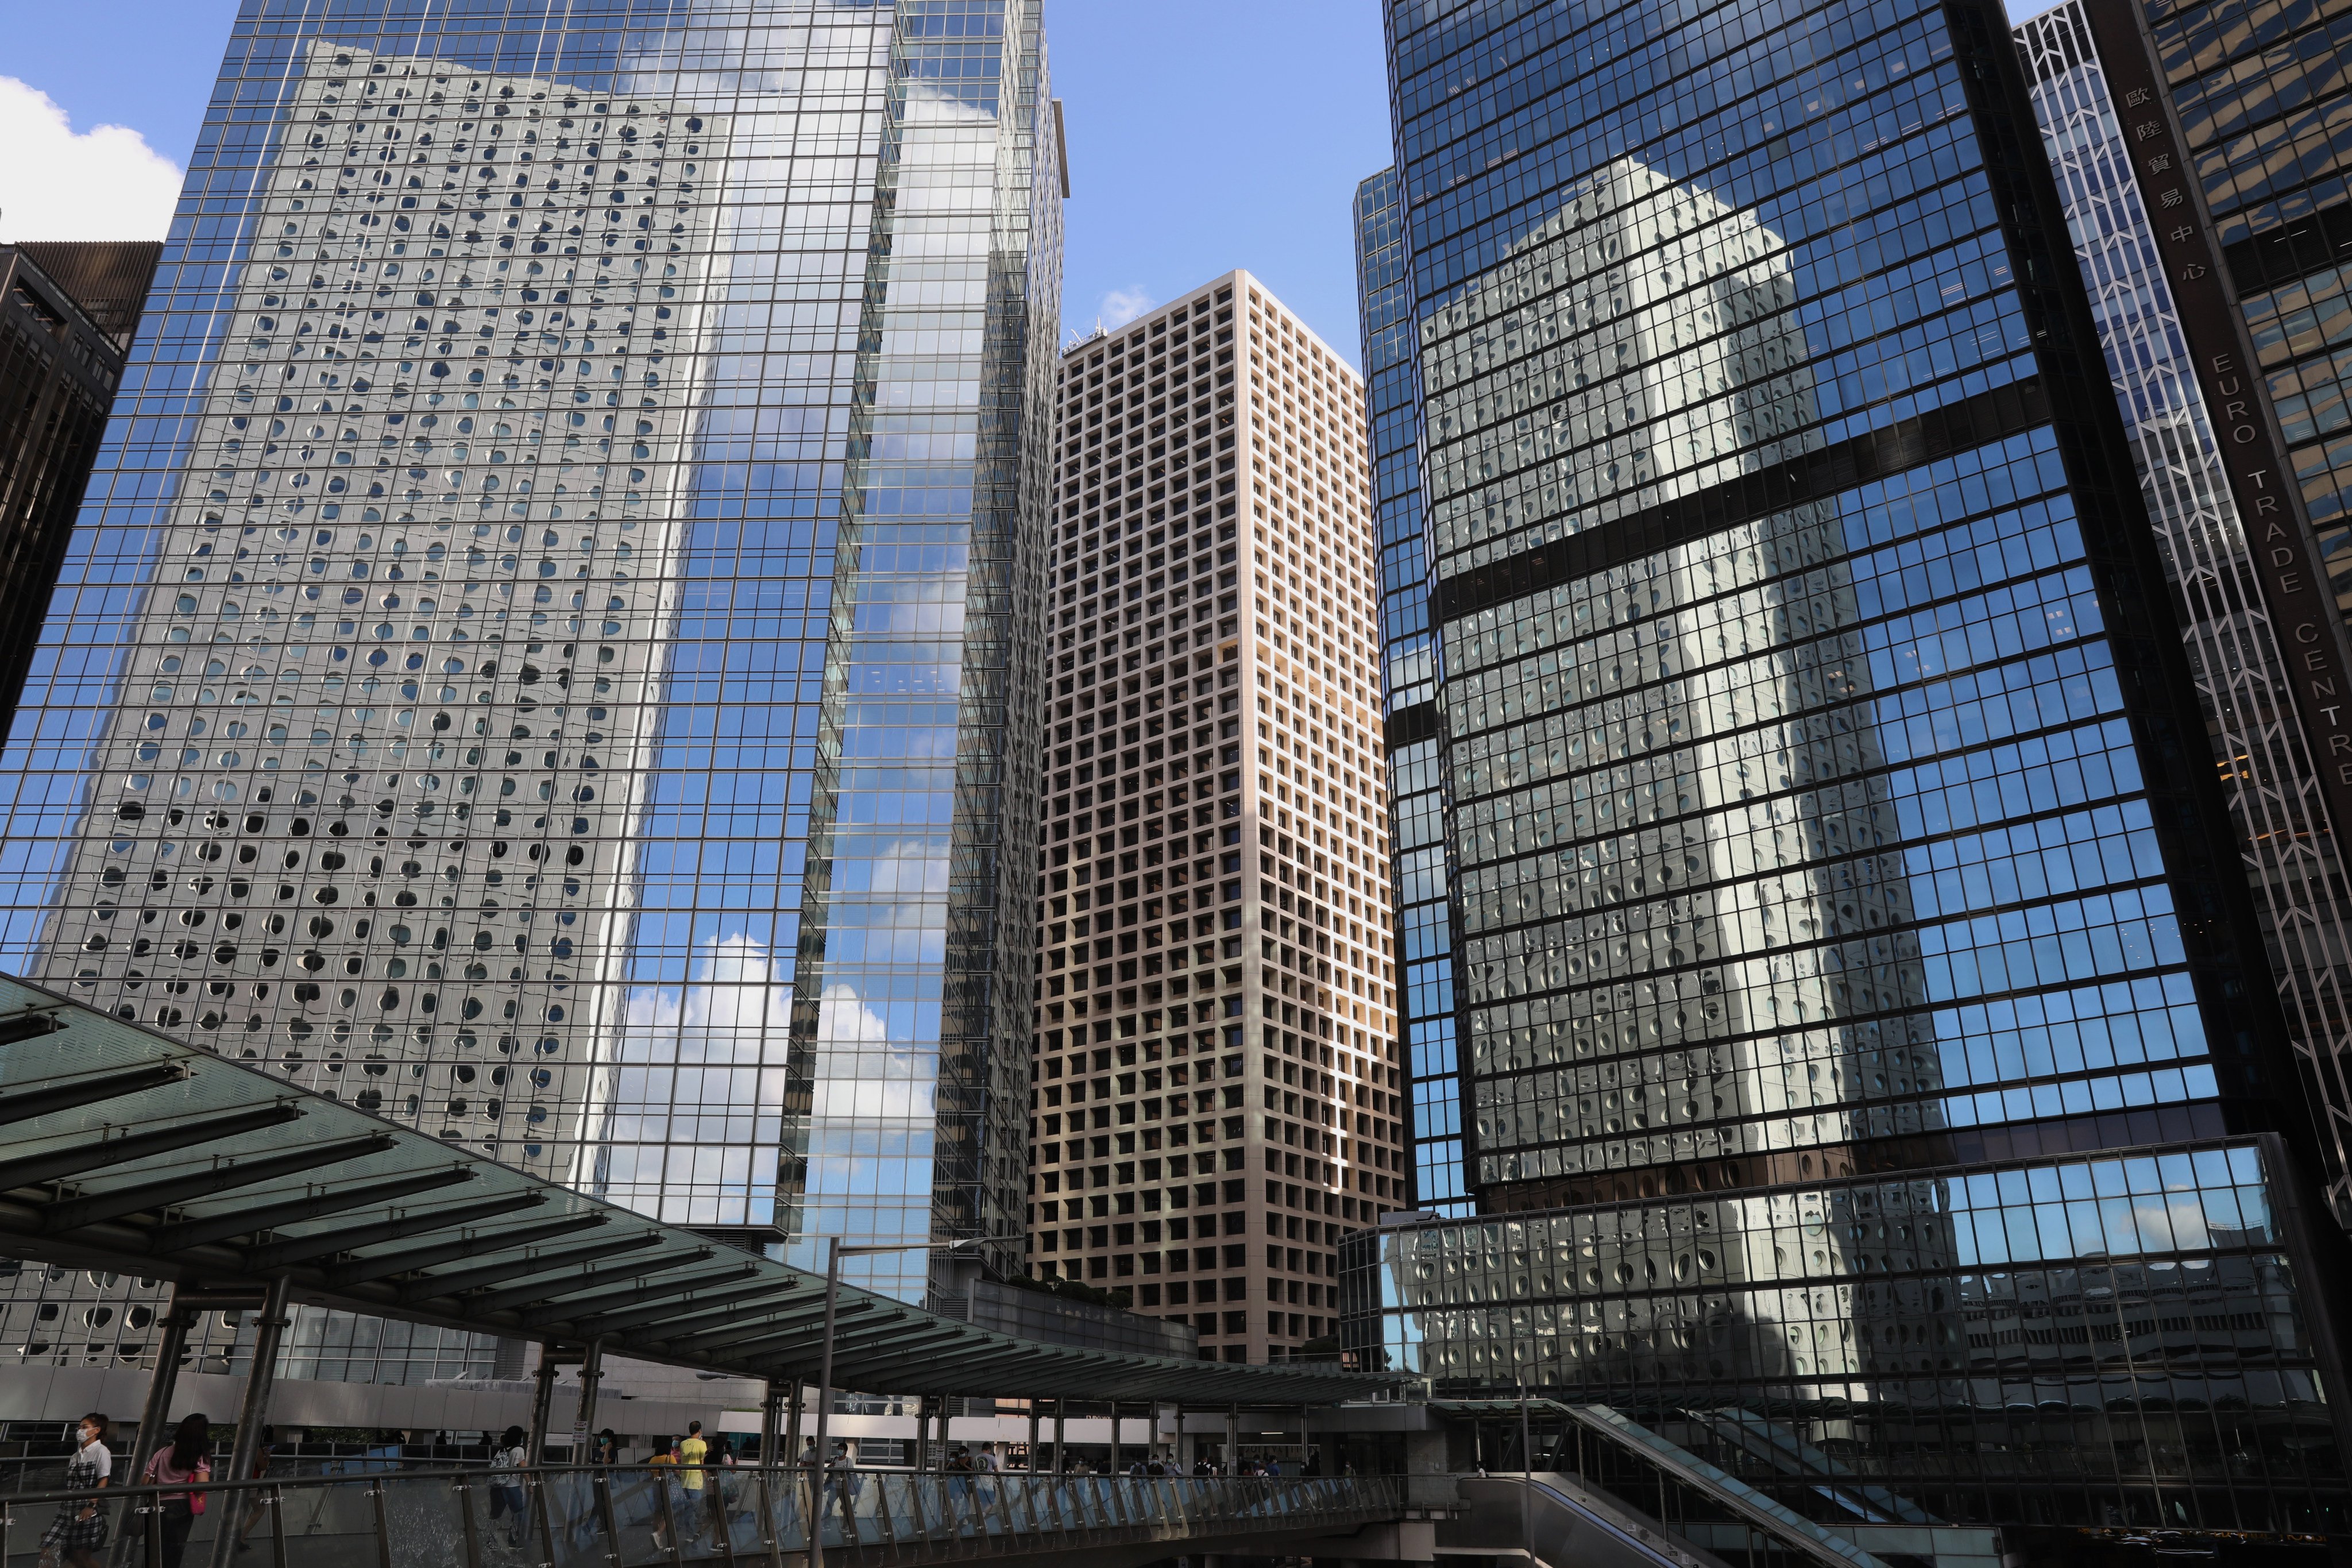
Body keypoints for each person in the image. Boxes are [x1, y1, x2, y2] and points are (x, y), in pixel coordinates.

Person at [36, 1412, 112, 1568]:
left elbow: (103, 1479)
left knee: (80, 1558)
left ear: (97, 1430)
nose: (80, 1431)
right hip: (68, 1508)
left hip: (87, 1508)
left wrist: (91, 1506)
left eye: (85, 1427)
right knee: (49, 1546)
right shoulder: (76, 1456)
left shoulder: (101, 1451)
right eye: (79, 1427)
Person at [142, 1413, 212, 1568]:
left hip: (156, 1506)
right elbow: (202, 1487)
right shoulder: (199, 1456)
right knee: (173, 1552)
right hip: (181, 1508)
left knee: (153, 1550)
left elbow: (145, 1482)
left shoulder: (162, 1453)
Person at [488, 1425, 530, 1549]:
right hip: (512, 1487)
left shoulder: (501, 1450)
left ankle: (491, 1541)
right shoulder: (519, 1450)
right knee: (518, 1514)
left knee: (495, 1516)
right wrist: (530, 1484)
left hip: (497, 1487)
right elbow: (524, 1468)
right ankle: (512, 1541)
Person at [676, 1422, 708, 1544]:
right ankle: (680, 1523)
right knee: (693, 1506)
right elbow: (702, 1463)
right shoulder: (702, 1444)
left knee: (689, 1506)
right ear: (700, 1430)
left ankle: (689, 1535)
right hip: (696, 1480)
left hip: (684, 1479)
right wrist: (706, 1476)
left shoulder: (683, 1444)